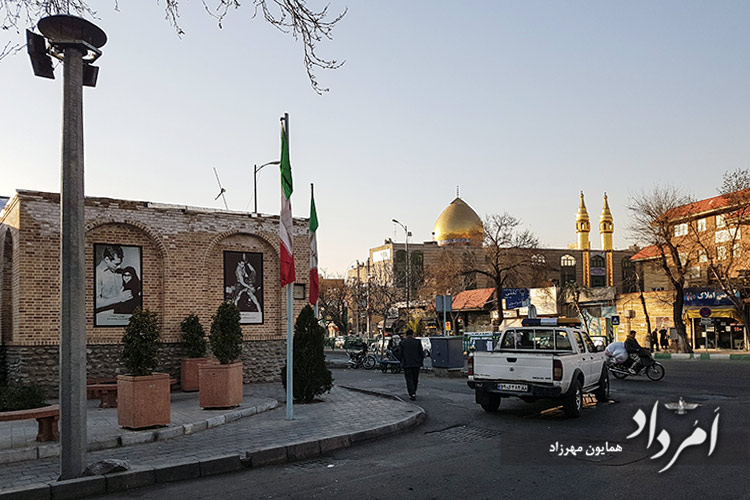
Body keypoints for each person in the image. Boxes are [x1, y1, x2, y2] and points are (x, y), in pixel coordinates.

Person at [95, 245, 132, 313]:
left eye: (120, 263)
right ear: (107, 259)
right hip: (103, 317)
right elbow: (94, 302)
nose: (119, 267)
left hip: (121, 314)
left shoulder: (121, 272)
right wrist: (118, 298)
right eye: (116, 264)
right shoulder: (97, 273)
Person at [396, 329, 424, 401]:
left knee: (409, 379)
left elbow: (400, 354)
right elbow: (421, 353)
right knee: (415, 378)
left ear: (406, 335)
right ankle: (414, 390)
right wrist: (420, 361)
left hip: (407, 363)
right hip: (416, 363)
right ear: (412, 334)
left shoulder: (402, 343)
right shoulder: (417, 342)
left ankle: (412, 393)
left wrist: (401, 361)